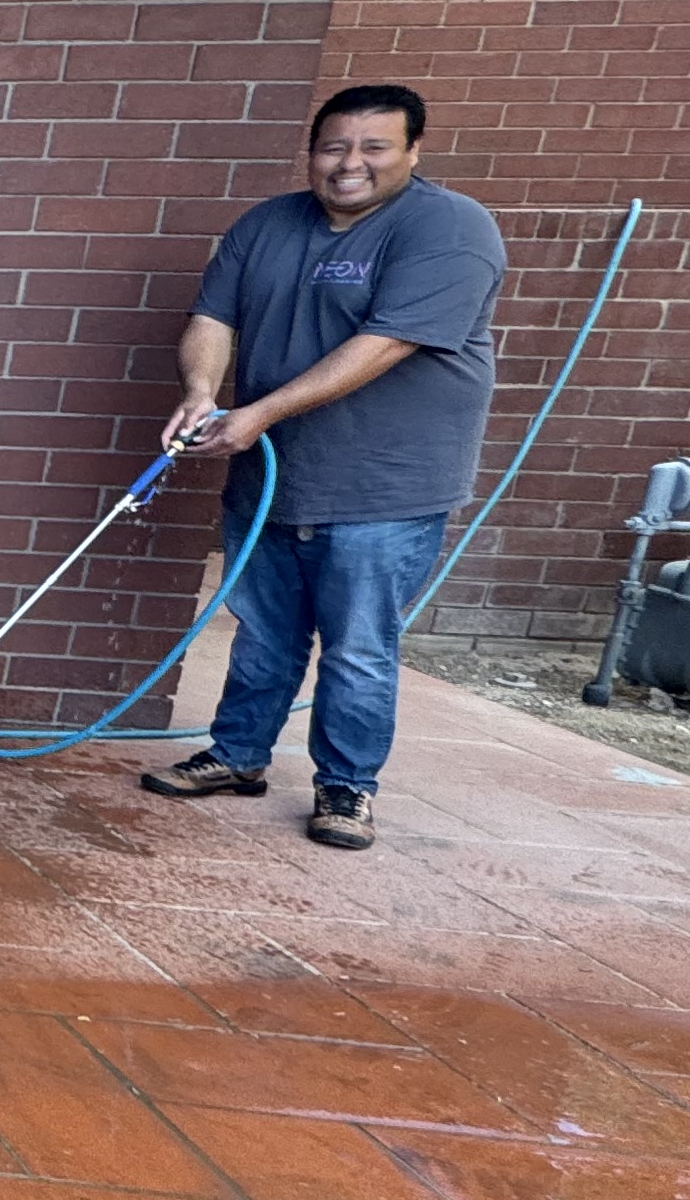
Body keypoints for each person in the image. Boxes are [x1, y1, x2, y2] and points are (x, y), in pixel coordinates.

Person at [137, 84, 505, 851]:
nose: (351, 164)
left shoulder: (449, 228)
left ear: (413, 152)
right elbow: (213, 317)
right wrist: (203, 393)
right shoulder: (266, 224)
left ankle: (346, 786)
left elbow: (387, 343)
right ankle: (238, 757)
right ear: (312, 152)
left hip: (384, 485)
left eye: (375, 147)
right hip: (272, 476)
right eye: (335, 146)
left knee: (358, 644)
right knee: (264, 633)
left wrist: (259, 413)